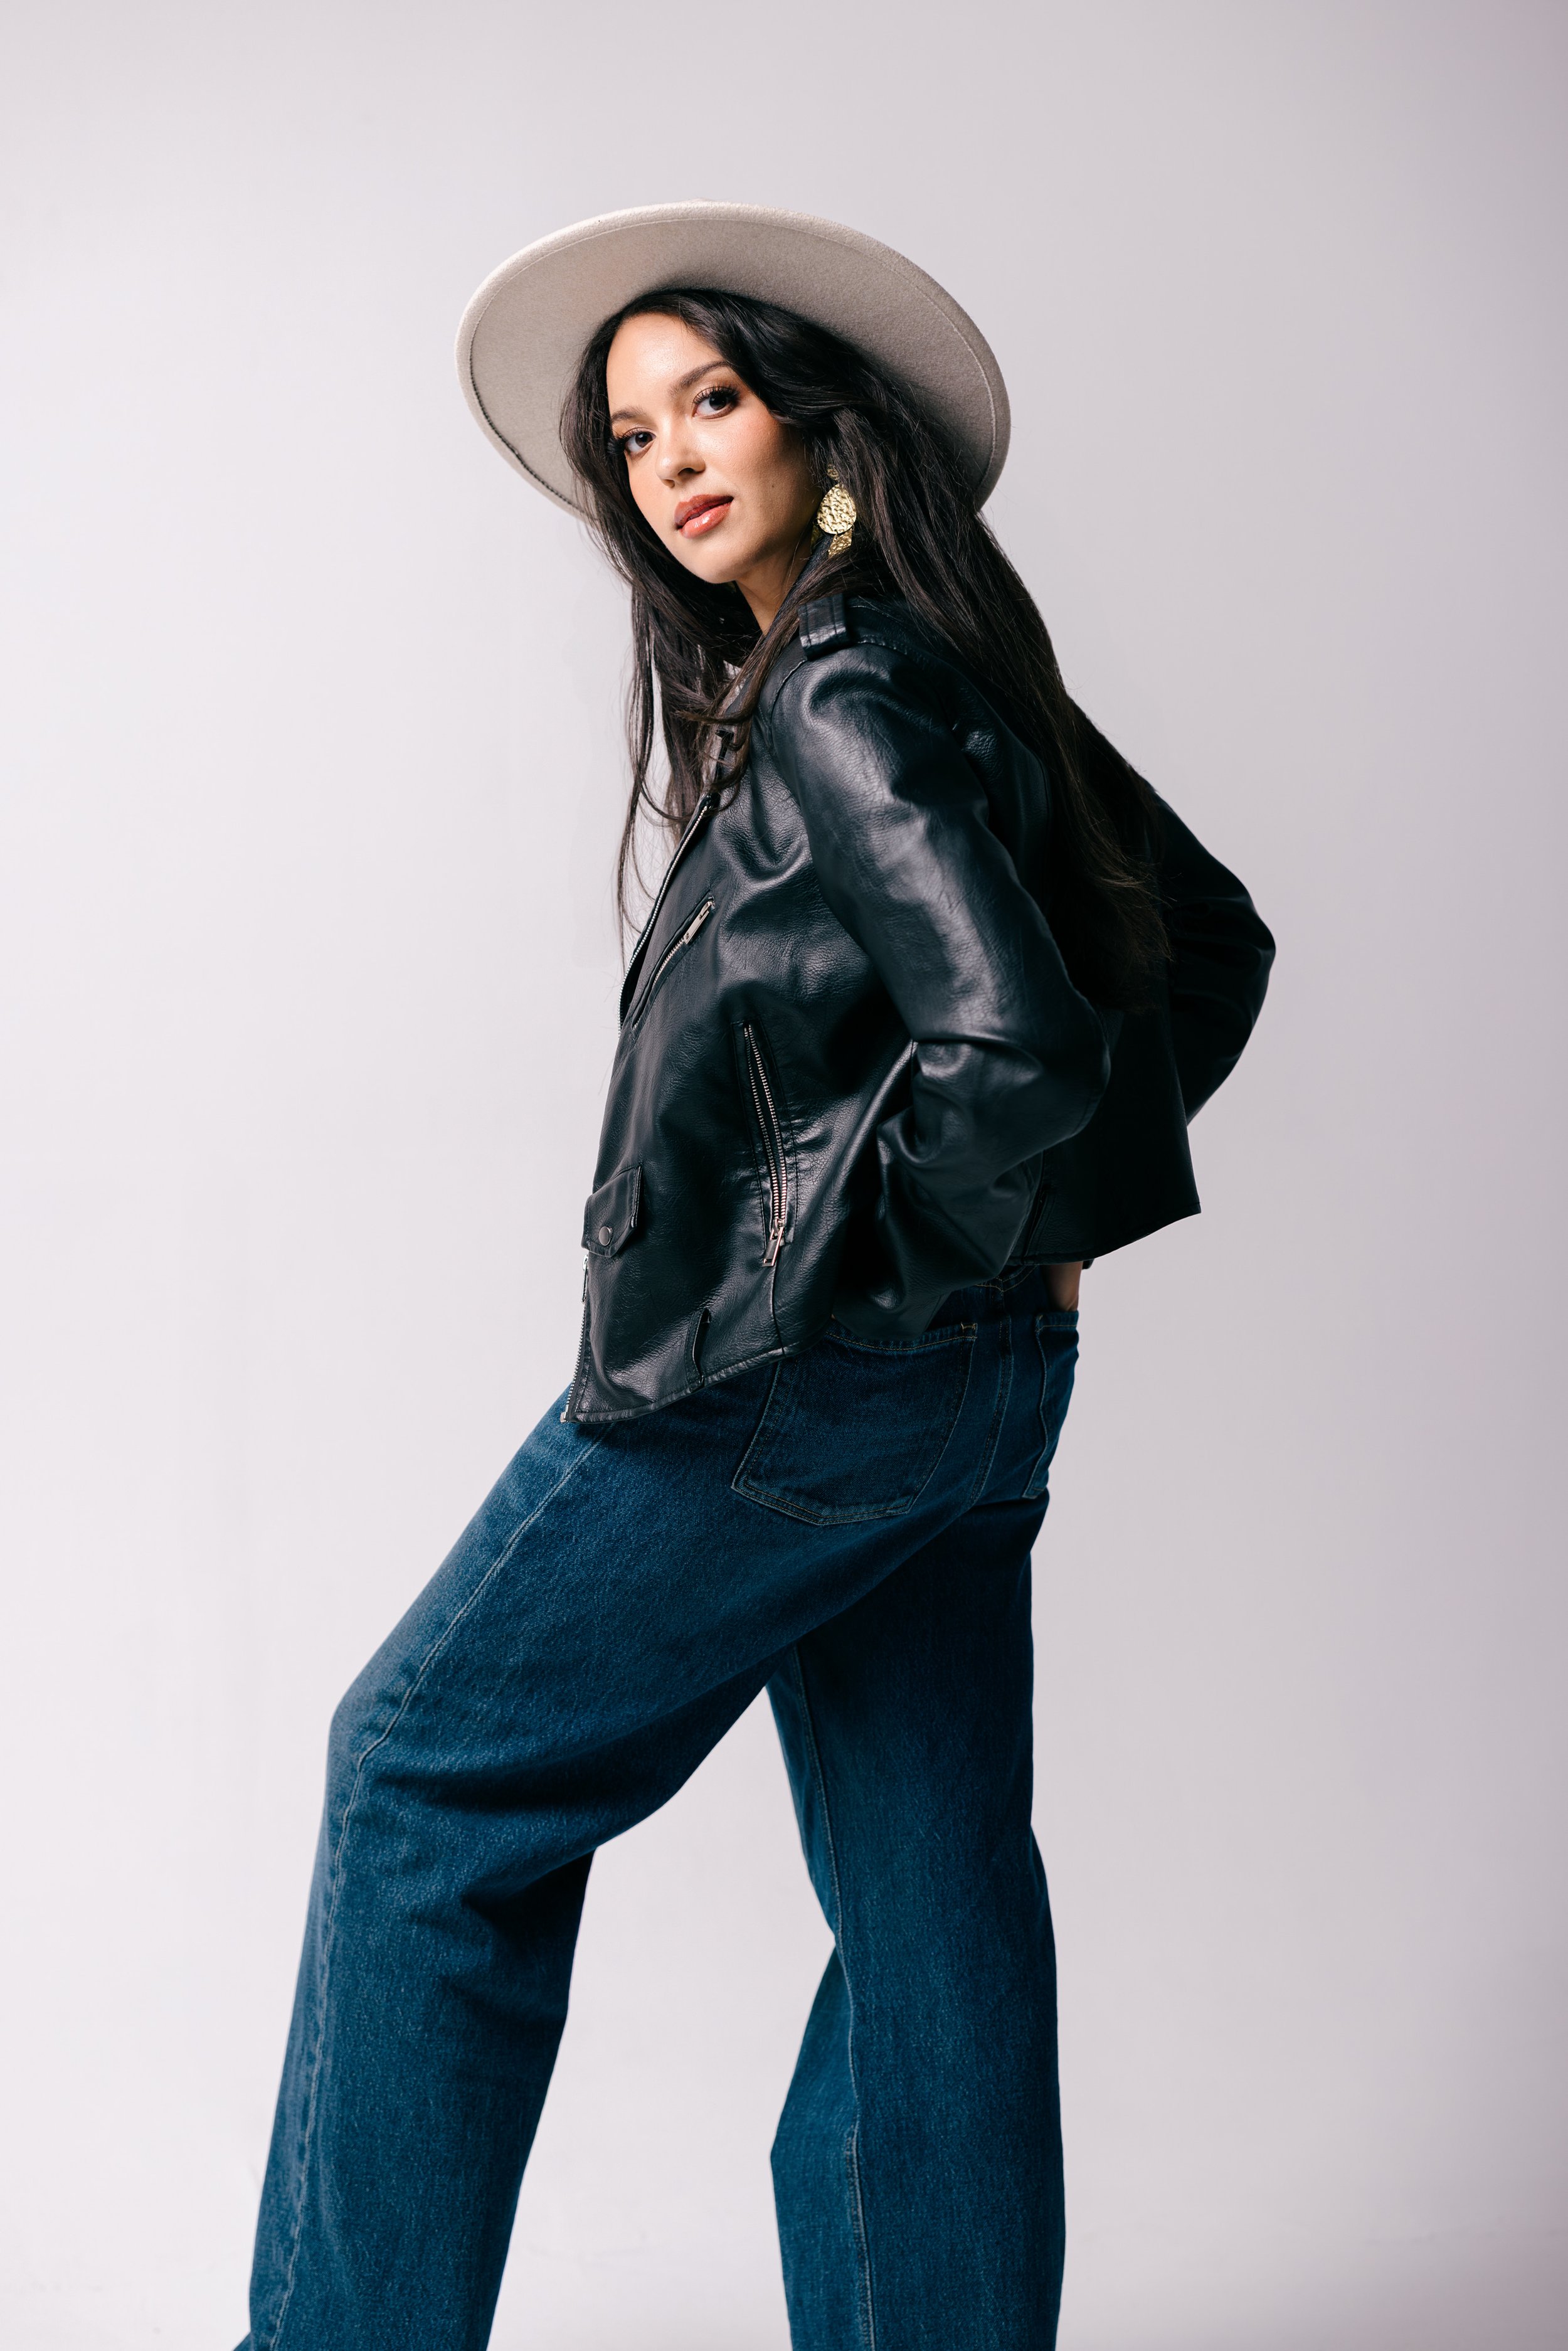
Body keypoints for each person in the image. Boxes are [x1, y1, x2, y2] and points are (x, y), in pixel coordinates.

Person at [238, 203, 1274, 2351]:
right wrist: (1025, 1245)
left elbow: (1013, 1034)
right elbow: (1208, 942)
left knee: (418, 1778)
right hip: (962, 1387)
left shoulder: (842, 685)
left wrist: (892, 1242)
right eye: (632, 434)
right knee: (927, 1894)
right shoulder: (940, 666)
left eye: (711, 398)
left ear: (825, 422)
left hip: (795, 1381)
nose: (673, 460)